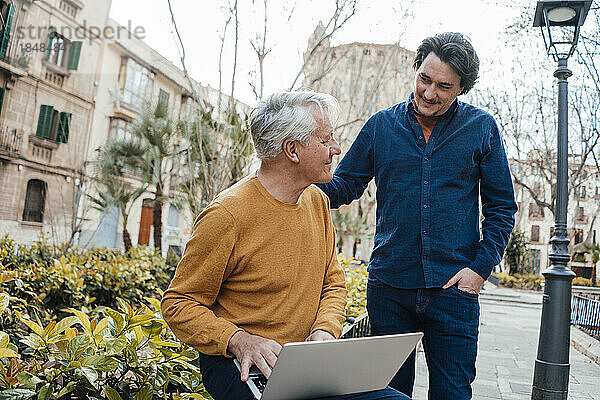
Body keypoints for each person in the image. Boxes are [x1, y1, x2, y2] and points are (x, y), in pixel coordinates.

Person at [161, 91, 411, 400]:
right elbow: (178, 304)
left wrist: (324, 332)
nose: (336, 149)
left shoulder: (317, 200)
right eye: (325, 140)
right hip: (242, 365)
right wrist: (239, 340)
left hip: (305, 365)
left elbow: (332, 282)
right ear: (292, 150)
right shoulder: (227, 215)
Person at [317, 32, 518, 399]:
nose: (429, 93)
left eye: (444, 86)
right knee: (389, 395)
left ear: (461, 88)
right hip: (390, 288)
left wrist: (479, 271)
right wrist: (291, 180)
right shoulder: (381, 126)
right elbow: (343, 187)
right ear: (417, 69)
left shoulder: (482, 128)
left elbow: (502, 208)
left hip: (453, 291)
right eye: (424, 79)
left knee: (453, 394)